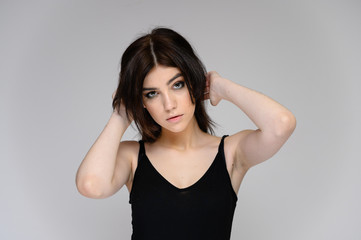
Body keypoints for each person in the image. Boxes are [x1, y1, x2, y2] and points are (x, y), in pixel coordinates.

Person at [76, 27, 296, 240]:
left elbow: (281, 125)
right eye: (152, 94)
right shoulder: (132, 157)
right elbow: (91, 186)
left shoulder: (231, 153)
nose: (169, 104)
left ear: (194, 82)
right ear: (141, 101)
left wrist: (221, 87)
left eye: (177, 85)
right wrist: (121, 114)